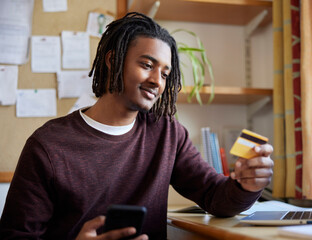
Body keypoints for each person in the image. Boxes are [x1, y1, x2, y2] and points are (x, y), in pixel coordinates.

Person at [0, 12, 274, 240]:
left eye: (165, 73)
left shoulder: (167, 133)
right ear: (112, 60)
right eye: (146, 65)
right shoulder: (48, 145)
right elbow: (16, 236)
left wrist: (247, 185)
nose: (157, 81)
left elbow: (215, 196)